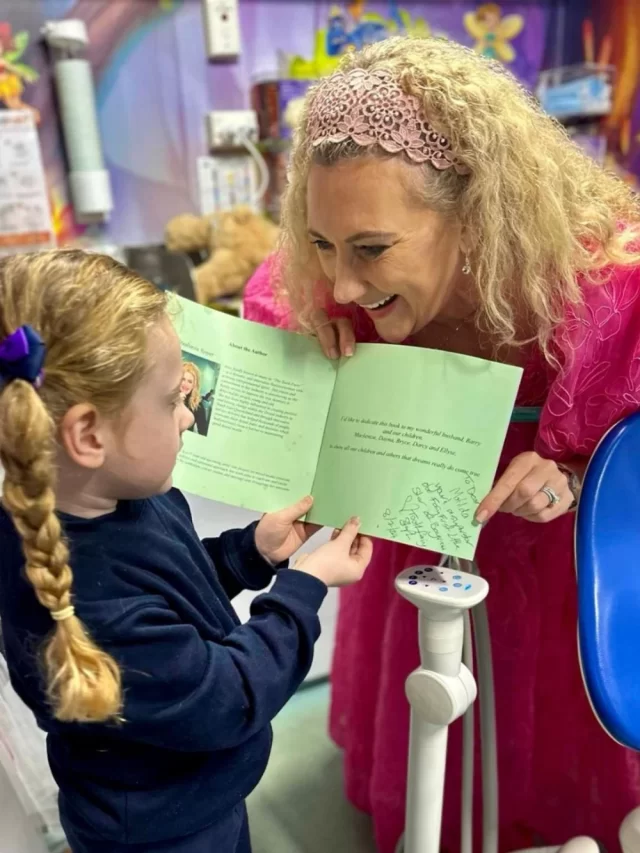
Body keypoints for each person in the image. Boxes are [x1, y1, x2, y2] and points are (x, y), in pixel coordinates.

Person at [243, 36, 640, 853]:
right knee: (430, 728)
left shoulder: (602, 282)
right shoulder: (339, 282)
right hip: (420, 532)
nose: (342, 284)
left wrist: (577, 468)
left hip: (564, 567)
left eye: (370, 248)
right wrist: (313, 338)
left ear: (478, 212)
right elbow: (277, 292)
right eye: (321, 243)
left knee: (551, 733)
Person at [0, 249, 373, 853]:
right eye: (173, 399)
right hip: (162, 832)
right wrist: (304, 587)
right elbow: (232, 695)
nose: (187, 414)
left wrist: (251, 552)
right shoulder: (87, 603)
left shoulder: (119, 499)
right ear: (89, 435)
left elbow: (173, 590)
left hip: (199, 796)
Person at [181, 360, 210, 436]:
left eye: (190, 381)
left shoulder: (198, 405)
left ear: (194, 385)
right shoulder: (169, 397)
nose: (185, 384)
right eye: (183, 379)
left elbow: (203, 433)